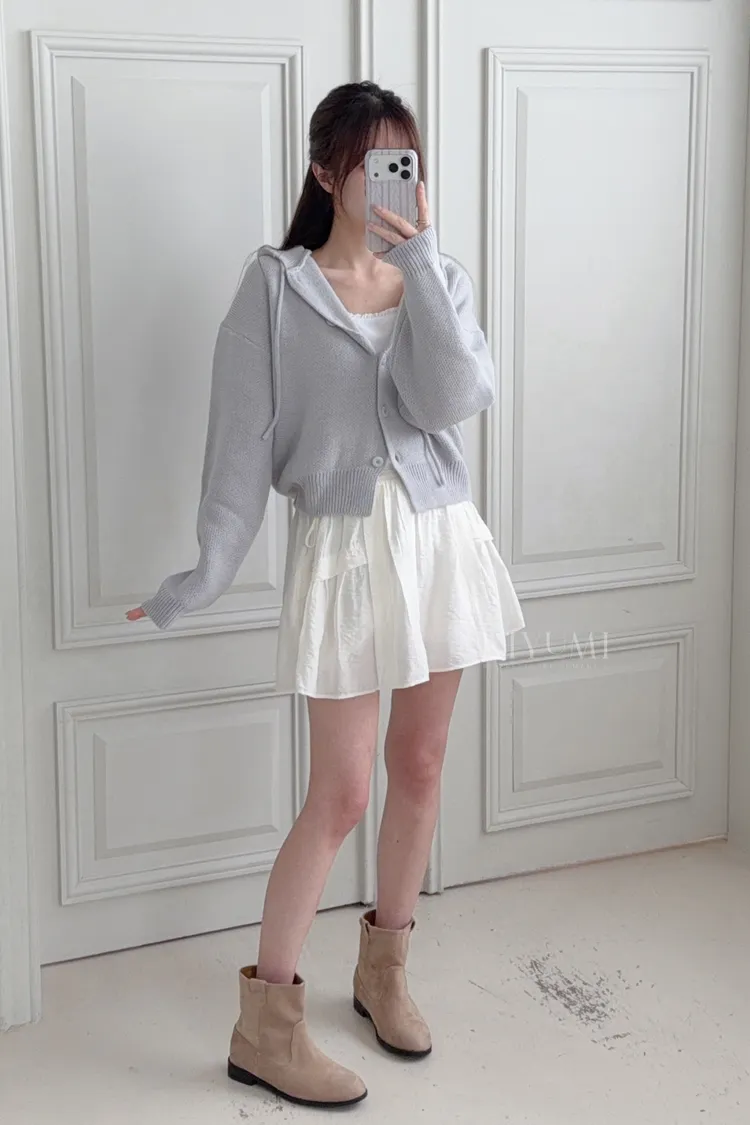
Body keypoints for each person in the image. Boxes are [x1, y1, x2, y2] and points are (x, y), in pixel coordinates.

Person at [127, 80, 525, 1109]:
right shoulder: (274, 289)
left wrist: (419, 263)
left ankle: (384, 973)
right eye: (374, 160)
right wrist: (200, 575)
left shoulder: (439, 276)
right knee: (341, 794)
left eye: (407, 160)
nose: (395, 177)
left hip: (438, 540)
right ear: (324, 171)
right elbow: (239, 445)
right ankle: (266, 1028)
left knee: (421, 765)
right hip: (343, 553)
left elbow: (455, 399)